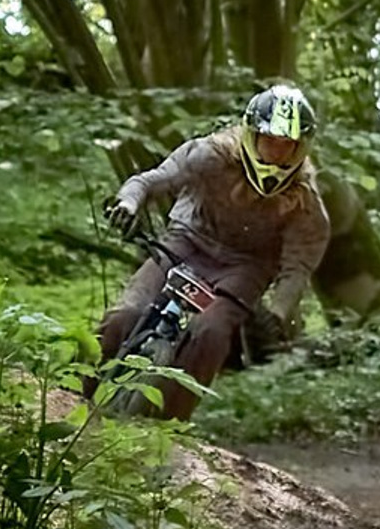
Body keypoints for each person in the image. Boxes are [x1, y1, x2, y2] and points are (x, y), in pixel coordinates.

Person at [95, 83, 331, 420]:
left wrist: (278, 313)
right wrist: (128, 205)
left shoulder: (305, 200)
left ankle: (170, 428)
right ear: (251, 135)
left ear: (300, 149)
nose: (276, 153)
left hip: (243, 269)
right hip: (185, 243)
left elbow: (299, 265)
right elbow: (149, 181)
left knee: (212, 333)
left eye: (286, 146)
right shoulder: (210, 155)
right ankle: (73, 395)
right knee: (124, 316)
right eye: (268, 141)